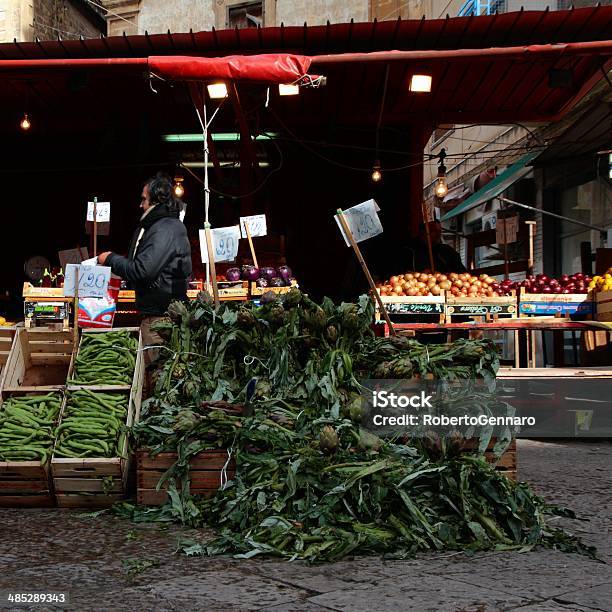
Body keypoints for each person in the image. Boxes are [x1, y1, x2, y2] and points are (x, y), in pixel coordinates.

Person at [98, 173, 192, 367]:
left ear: (156, 200)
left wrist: (111, 259)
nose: (141, 205)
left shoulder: (164, 229)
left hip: (160, 321)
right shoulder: (165, 226)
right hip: (160, 316)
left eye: (143, 199)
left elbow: (143, 270)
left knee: (159, 378)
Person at [402, 220, 466, 273]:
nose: (438, 235)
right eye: (434, 231)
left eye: (439, 231)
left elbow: (461, 271)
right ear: (423, 232)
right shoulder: (409, 250)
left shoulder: (447, 251)